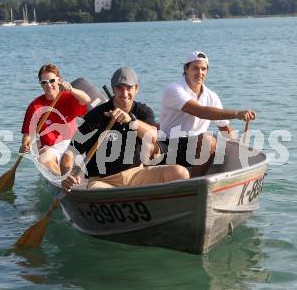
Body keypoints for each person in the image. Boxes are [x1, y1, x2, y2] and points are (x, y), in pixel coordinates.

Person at [61, 67, 189, 191]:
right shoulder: (95, 116)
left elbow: (153, 136)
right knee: (102, 191)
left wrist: (131, 121)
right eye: (120, 88)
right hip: (103, 181)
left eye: (129, 88)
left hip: (136, 174)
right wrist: (66, 175)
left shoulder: (142, 111)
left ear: (136, 88)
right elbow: (71, 151)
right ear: (113, 89)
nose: (125, 93)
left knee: (180, 173)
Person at [159, 51, 256, 177]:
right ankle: (192, 186)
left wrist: (240, 153)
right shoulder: (173, 89)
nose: (200, 73)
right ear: (185, 68)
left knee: (209, 141)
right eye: (195, 68)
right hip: (168, 147)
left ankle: (194, 183)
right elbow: (200, 111)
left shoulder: (212, 96)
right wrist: (237, 114)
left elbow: (225, 129)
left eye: (203, 69)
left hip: (194, 150)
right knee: (208, 139)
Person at [20, 63, 91, 175]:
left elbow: (86, 99)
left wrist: (72, 89)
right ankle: (63, 179)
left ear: (59, 80)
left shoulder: (69, 97)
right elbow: (28, 135)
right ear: (41, 85)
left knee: (68, 158)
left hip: (71, 144)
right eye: (44, 82)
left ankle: (71, 176)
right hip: (51, 148)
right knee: (43, 157)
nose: (48, 85)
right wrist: (25, 145)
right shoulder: (35, 106)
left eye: (52, 81)